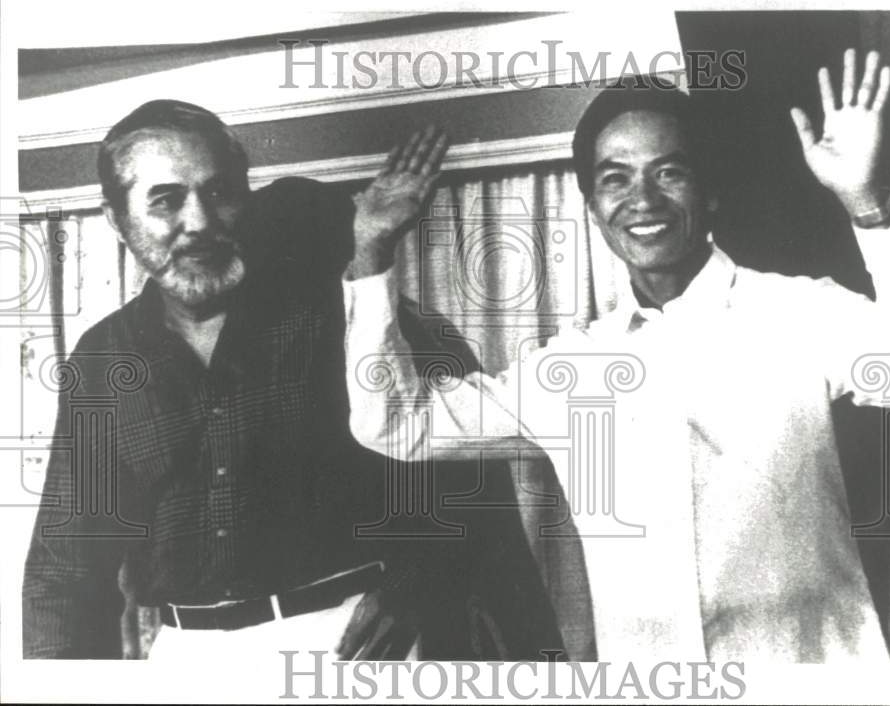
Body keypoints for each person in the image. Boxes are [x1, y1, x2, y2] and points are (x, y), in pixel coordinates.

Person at [341, 50, 890, 661]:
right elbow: (395, 422)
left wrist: (870, 206)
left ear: (711, 191)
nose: (643, 199)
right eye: (616, 178)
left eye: (670, 171)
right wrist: (371, 252)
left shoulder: (799, 313)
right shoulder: (568, 373)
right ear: (593, 210)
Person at [22, 99, 561, 660]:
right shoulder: (102, 360)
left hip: (356, 647)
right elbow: (64, 571)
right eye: (166, 200)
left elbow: (473, 482)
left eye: (218, 192)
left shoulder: (349, 307)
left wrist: (418, 583)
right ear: (117, 218)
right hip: (188, 661)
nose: (199, 222)